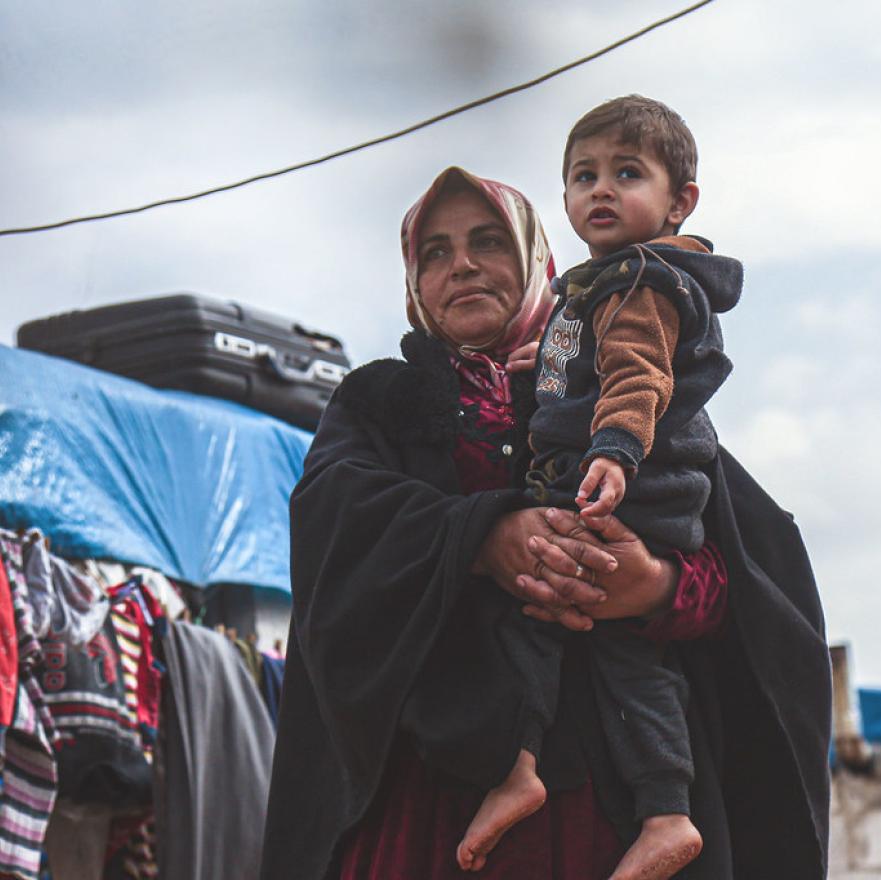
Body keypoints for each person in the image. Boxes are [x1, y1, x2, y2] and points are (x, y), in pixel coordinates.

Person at [259, 167, 832, 880]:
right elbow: (338, 545)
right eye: (434, 251)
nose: (461, 264)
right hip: (434, 813)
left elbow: (748, 568)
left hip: (613, 813)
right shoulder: (381, 404)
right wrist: (484, 537)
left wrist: (653, 585)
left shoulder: (613, 388)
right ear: (413, 282)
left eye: (488, 242)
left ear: (538, 262)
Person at [458, 96, 742, 878]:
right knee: (626, 657)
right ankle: (665, 810)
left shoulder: (641, 281)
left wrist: (613, 453)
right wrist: (538, 373)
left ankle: (518, 768)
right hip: (644, 491)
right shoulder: (595, 292)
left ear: (681, 201)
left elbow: (635, 375)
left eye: (627, 173)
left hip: (621, 487)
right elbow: (578, 367)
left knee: (537, 616)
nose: (601, 191)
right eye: (583, 177)